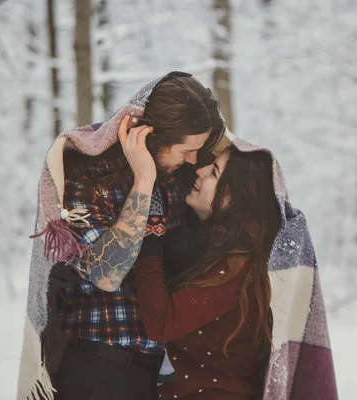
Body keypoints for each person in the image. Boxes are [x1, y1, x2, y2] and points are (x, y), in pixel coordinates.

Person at [45, 72, 225, 400]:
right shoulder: (85, 175)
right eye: (186, 149)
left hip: (157, 374)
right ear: (151, 137)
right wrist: (143, 180)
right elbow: (105, 274)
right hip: (97, 371)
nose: (193, 159)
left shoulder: (177, 180)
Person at [132, 145, 280, 399]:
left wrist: (150, 235)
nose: (199, 172)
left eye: (214, 172)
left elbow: (161, 323)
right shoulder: (211, 249)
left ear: (233, 198)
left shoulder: (238, 264)